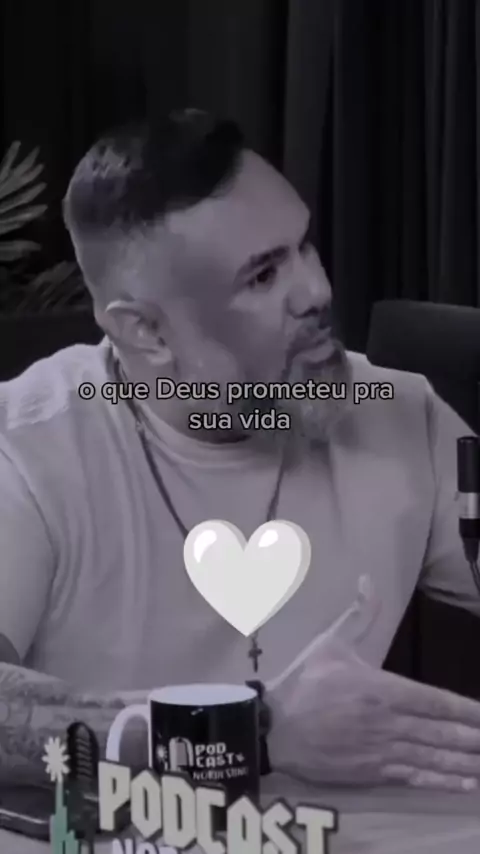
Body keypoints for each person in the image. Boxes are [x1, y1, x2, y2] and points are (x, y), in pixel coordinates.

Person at [1, 108, 480, 793]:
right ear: (147, 332)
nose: (318, 291)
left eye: (304, 247)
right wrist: (246, 730)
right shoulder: (25, 450)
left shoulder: (400, 414)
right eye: (261, 277)